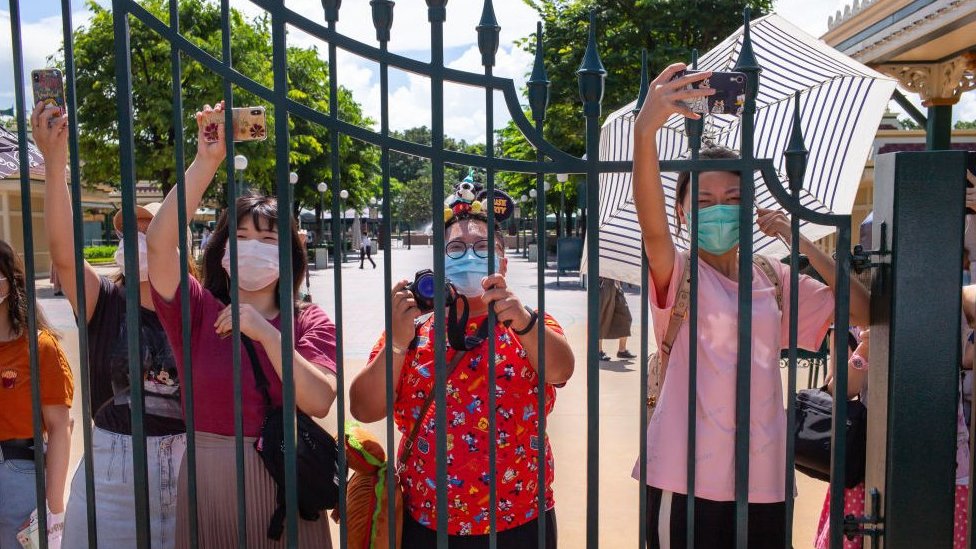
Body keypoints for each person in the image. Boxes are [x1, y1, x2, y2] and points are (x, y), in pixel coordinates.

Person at [630, 64, 870, 548]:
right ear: (681, 210)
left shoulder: (773, 277)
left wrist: (794, 235)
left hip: (763, 476)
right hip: (683, 473)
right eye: (704, 199)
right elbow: (651, 226)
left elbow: (862, 311)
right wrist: (645, 129)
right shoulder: (675, 272)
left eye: (733, 197)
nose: (719, 207)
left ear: (750, 208)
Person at [146, 101, 338, 548]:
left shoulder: (309, 321)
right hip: (209, 483)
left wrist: (265, 332)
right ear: (223, 250)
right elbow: (157, 243)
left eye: (269, 239)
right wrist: (206, 161)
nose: (254, 247)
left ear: (289, 257)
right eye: (242, 237)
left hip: (282, 481)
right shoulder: (196, 311)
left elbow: (320, 398)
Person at [349, 183, 575, 548]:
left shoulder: (531, 323)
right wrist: (396, 343)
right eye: (455, 248)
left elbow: (562, 370)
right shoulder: (414, 329)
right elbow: (363, 407)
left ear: (502, 262)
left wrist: (523, 320)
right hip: (429, 521)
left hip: (520, 518)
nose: (469, 255)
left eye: (484, 248)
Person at [32, 101, 189, 549]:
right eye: (128, 232)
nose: (137, 240)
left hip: (188, 470)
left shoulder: (197, 309)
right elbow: (63, 254)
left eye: (150, 229)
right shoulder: (106, 301)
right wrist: (55, 161)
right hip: (109, 473)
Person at [0, 239, 73, 548]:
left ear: (9, 281)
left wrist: (53, 509)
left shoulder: (39, 347)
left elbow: (60, 428)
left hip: (18, 473)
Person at [598, 277, 636, 361]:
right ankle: (598, 351)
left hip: (615, 282)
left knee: (626, 317)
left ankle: (622, 350)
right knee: (602, 317)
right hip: (604, 281)